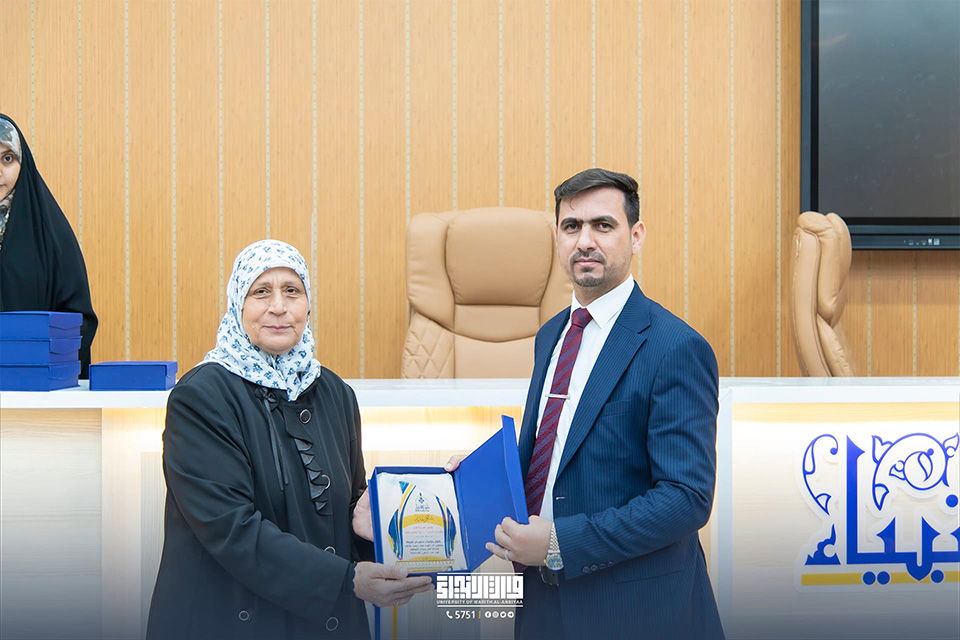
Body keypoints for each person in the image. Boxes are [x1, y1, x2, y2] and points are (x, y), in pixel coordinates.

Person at [461, 168, 724, 639]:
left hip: (634, 611)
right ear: (557, 238)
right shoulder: (551, 336)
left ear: (636, 236)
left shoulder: (675, 347)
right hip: (541, 601)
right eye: (571, 226)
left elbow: (686, 498)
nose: (585, 241)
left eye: (603, 225)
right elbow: (555, 456)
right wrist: (476, 480)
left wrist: (560, 543)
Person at [146, 240, 432, 640]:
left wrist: (375, 525)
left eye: (292, 291)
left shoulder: (334, 392)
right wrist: (343, 580)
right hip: (229, 620)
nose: (278, 307)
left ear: (308, 306)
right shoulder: (200, 396)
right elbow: (231, 529)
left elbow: (345, 505)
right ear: (237, 304)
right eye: (261, 291)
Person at [0, 114, 98, 377]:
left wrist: (45, 369)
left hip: (38, 385)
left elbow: (79, 320)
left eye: (7, 158)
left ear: (23, 163)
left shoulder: (51, 234)